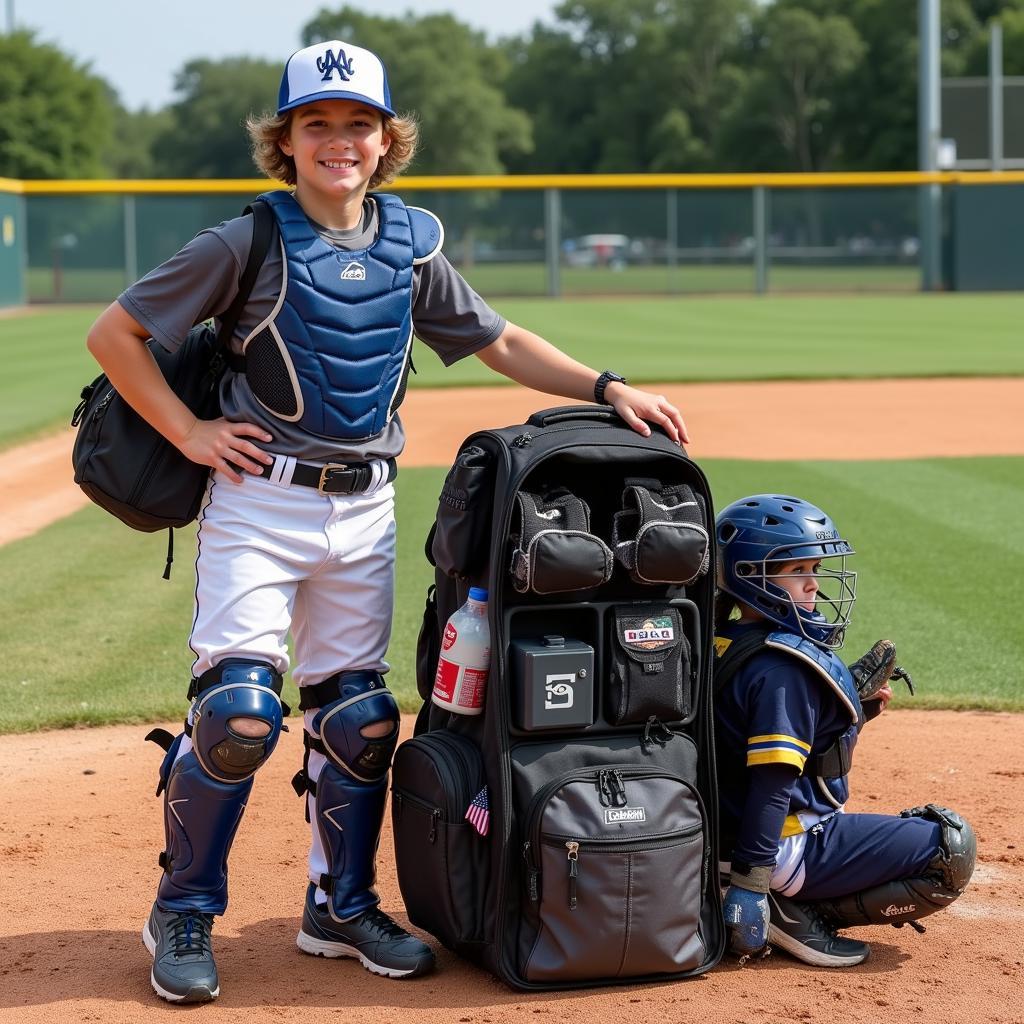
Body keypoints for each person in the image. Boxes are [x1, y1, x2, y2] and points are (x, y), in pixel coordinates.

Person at [86, 39, 688, 1004]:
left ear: (386, 138)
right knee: (240, 717)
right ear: (284, 142)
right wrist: (192, 430)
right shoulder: (247, 241)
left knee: (361, 720)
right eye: (315, 124)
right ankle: (185, 907)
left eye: (357, 123)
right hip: (261, 503)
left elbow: (498, 340)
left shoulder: (412, 243)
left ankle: (340, 903)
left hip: (362, 507)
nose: (338, 141)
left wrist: (607, 386)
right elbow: (115, 334)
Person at [712, 494, 975, 968]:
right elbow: (773, 785)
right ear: (750, 575)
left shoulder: (720, 641)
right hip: (776, 849)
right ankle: (794, 911)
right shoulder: (784, 670)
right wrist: (753, 884)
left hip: (717, 836)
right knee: (950, 847)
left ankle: (768, 889)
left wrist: (848, 708)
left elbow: (736, 736)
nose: (814, 584)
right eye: (797, 571)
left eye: (815, 568)